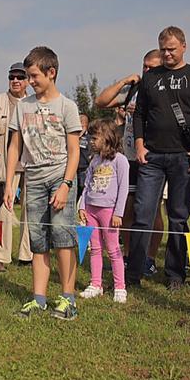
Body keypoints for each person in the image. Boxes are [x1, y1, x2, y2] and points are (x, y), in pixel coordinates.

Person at [127, 26, 190, 290]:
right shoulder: (151, 78)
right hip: (152, 156)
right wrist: (140, 146)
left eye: (172, 49)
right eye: (163, 49)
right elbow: (139, 114)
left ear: (184, 47)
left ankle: (175, 274)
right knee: (143, 214)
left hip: (183, 157)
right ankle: (134, 273)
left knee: (178, 216)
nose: (167, 54)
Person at [4, 46, 81, 320]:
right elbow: (14, 146)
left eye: (34, 76)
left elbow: (75, 151)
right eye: (27, 76)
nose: (29, 81)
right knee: (37, 240)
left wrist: (66, 184)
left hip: (59, 176)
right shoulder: (23, 106)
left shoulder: (67, 107)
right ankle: (39, 298)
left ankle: (68, 298)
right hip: (33, 178)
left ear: (52, 73)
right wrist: (11, 181)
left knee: (62, 236)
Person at [94, 50, 164, 276]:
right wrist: (124, 82)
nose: (147, 71)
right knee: (127, 209)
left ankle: (150, 259)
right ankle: (127, 255)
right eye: (145, 66)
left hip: (154, 157)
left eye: (153, 67)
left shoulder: (164, 91)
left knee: (152, 211)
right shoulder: (135, 90)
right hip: (130, 157)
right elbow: (101, 101)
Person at [0, 62, 33, 272]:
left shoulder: (35, 103)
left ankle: (27, 255)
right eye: (12, 77)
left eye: (21, 77)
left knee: (31, 211)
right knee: (2, 212)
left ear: (28, 80)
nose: (16, 81)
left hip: (31, 164)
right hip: (3, 166)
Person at [77, 119, 129, 303]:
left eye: (95, 137)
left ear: (107, 138)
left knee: (114, 249)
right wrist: (82, 206)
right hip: (91, 209)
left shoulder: (120, 161)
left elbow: (123, 188)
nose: (91, 141)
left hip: (109, 211)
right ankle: (95, 284)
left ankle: (120, 286)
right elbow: (87, 185)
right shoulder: (94, 161)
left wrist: (118, 213)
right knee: (95, 249)